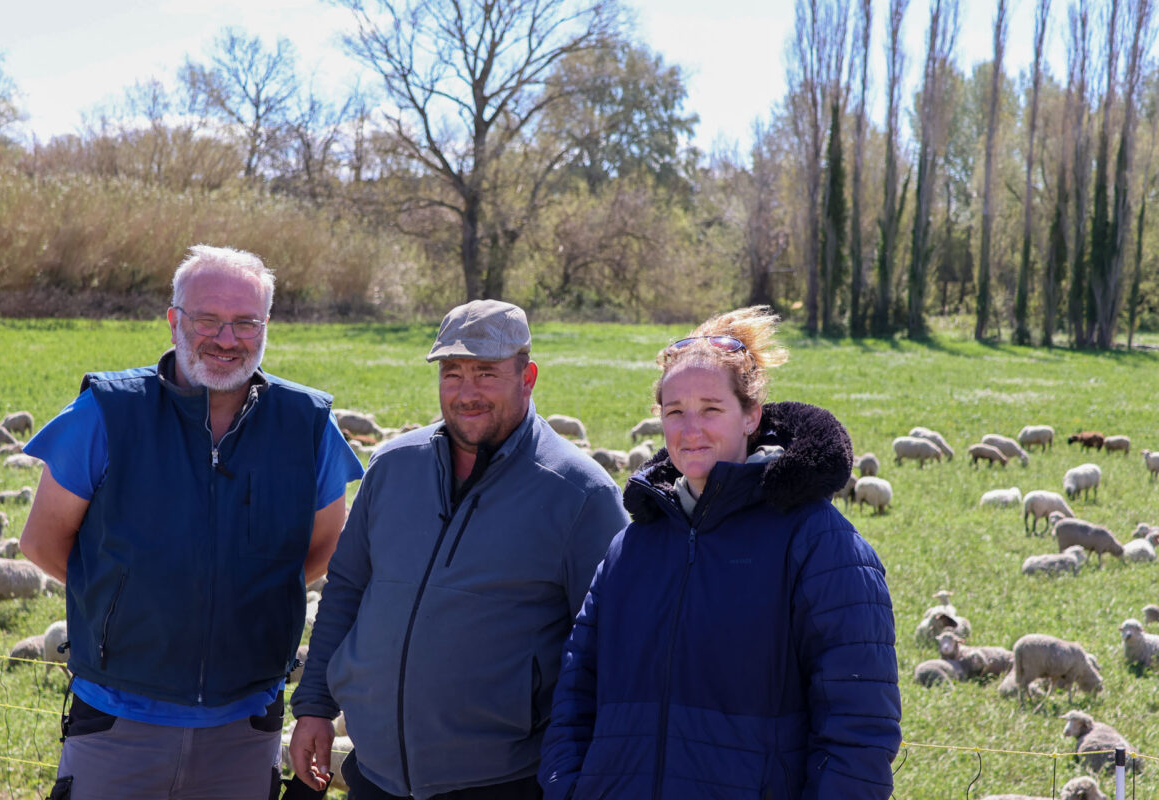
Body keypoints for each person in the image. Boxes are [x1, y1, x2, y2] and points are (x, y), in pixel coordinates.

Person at [19, 245, 364, 800]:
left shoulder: (307, 425)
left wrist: (237, 603)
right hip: (118, 720)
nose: (227, 339)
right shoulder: (108, 412)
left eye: (246, 322)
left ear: (266, 326)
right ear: (175, 319)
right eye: (208, 319)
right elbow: (42, 542)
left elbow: (323, 547)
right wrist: (125, 601)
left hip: (245, 726)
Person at [538, 306, 901, 799]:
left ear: (751, 415)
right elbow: (577, 693)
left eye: (711, 409)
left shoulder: (817, 543)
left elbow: (860, 727)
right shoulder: (632, 546)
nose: (691, 431)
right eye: (675, 412)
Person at [287, 299, 630, 799]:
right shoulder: (393, 466)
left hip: (503, 781)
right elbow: (345, 589)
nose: (467, 393)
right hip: (376, 772)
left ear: (527, 376)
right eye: (452, 373)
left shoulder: (581, 494)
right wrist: (315, 704)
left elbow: (609, 648)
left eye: (486, 373)